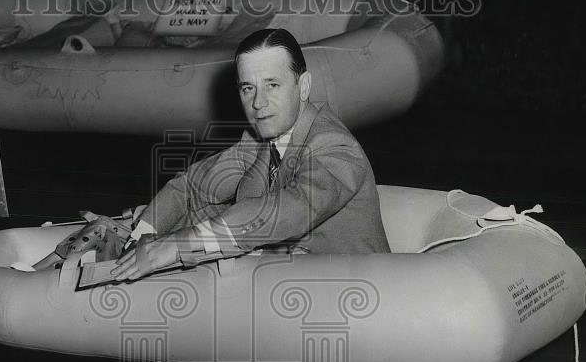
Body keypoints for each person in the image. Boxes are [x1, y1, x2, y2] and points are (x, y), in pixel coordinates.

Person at [109, 27, 390, 282]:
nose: (258, 103)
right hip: (293, 283)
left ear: (303, 87)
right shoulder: (259, 139)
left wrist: (178, 244)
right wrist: (139, 236)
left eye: (272, 85)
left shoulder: (336, 147)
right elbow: (190, 186)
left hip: (361, 295)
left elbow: (294, 207)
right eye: (248, 88)